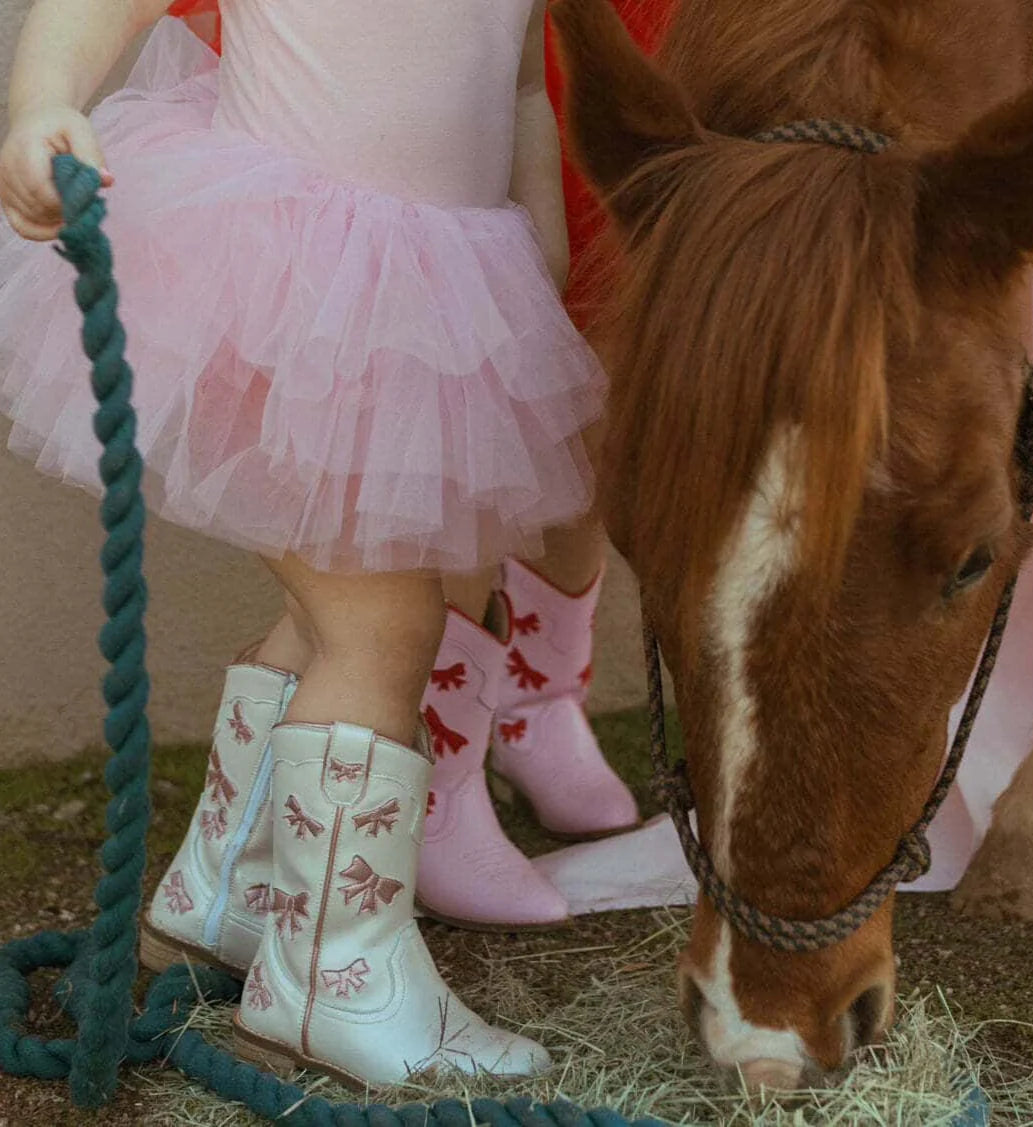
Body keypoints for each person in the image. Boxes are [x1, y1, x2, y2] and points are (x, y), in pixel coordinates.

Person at [0, 0, 617, 1087]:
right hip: (287, 287)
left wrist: (538, 219)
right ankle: (337, 974)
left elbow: (519, 74)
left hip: (425, 290)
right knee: (381, 625)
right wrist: (41, 101)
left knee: (331, 610)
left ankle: (227, 894)